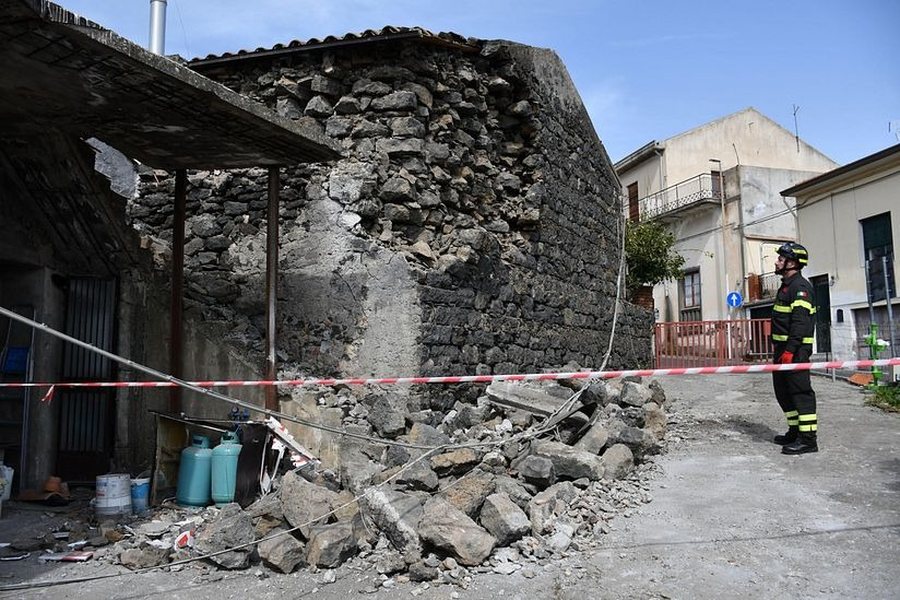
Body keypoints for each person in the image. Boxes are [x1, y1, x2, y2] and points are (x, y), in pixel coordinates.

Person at [771, 242, 818, 454]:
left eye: (781, 259)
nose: (776, 262)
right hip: (783, 350)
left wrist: (790, 350)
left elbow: (800, 323)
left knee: (800, 393)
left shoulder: (800, 287)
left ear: (792, 263)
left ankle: (808, 440)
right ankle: (795, 431)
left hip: (796, 351)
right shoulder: (786, 286)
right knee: (783, 392)